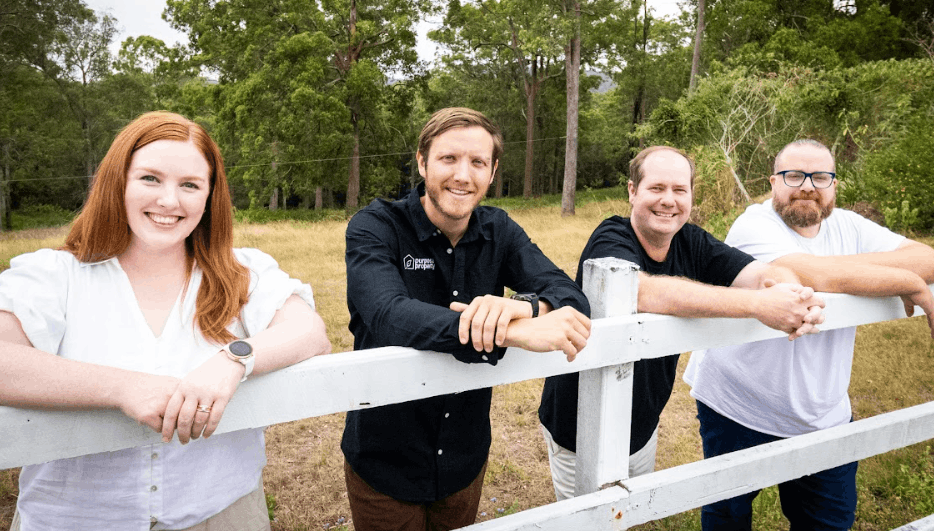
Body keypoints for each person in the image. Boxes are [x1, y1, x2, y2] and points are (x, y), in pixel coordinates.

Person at [0, 111, 331, 531]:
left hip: (221, 511)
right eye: (150, 179)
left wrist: (233, 360)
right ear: (117, 182)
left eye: (190, 185)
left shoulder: (241, 270)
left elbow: (310, 332)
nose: (169, 201)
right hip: (77, 518)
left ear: (210, 197)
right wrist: (123, 388)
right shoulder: (54, 275)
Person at [341, 107, 592, 531]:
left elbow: (568, 293)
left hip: (465, 459)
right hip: (385, 460)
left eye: (477, 162)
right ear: (422, 162)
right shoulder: (375, 226)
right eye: (448, 159)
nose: (463, 175)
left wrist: (525, 306)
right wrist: (511, 333)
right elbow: (388, 314)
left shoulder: (500, 230)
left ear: (492, 172)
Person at [538, 145, 825, 500]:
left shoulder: (691, 240)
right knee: (587, 522)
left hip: (642, 423)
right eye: (656, 188)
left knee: (627, 513)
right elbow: (641, 291)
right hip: (580, 426)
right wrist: (757, 305)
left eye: (679, 190)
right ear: (632, 191)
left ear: (691, 195)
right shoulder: (610, 238)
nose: (668, 201)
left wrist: (793, 294)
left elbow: (760, 273)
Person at [685, 138, 934, 531]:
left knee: (829, 522)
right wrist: (904, 280)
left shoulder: (848, 225)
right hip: (739, 404)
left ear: (834, 184)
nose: (807, 186)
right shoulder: (754, 224)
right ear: (772, 182)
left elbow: (929, 259)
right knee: (728, 516)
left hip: (823, 412)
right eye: (794, 175)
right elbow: (809, 273)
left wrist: (861, 271)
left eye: (820, 176)